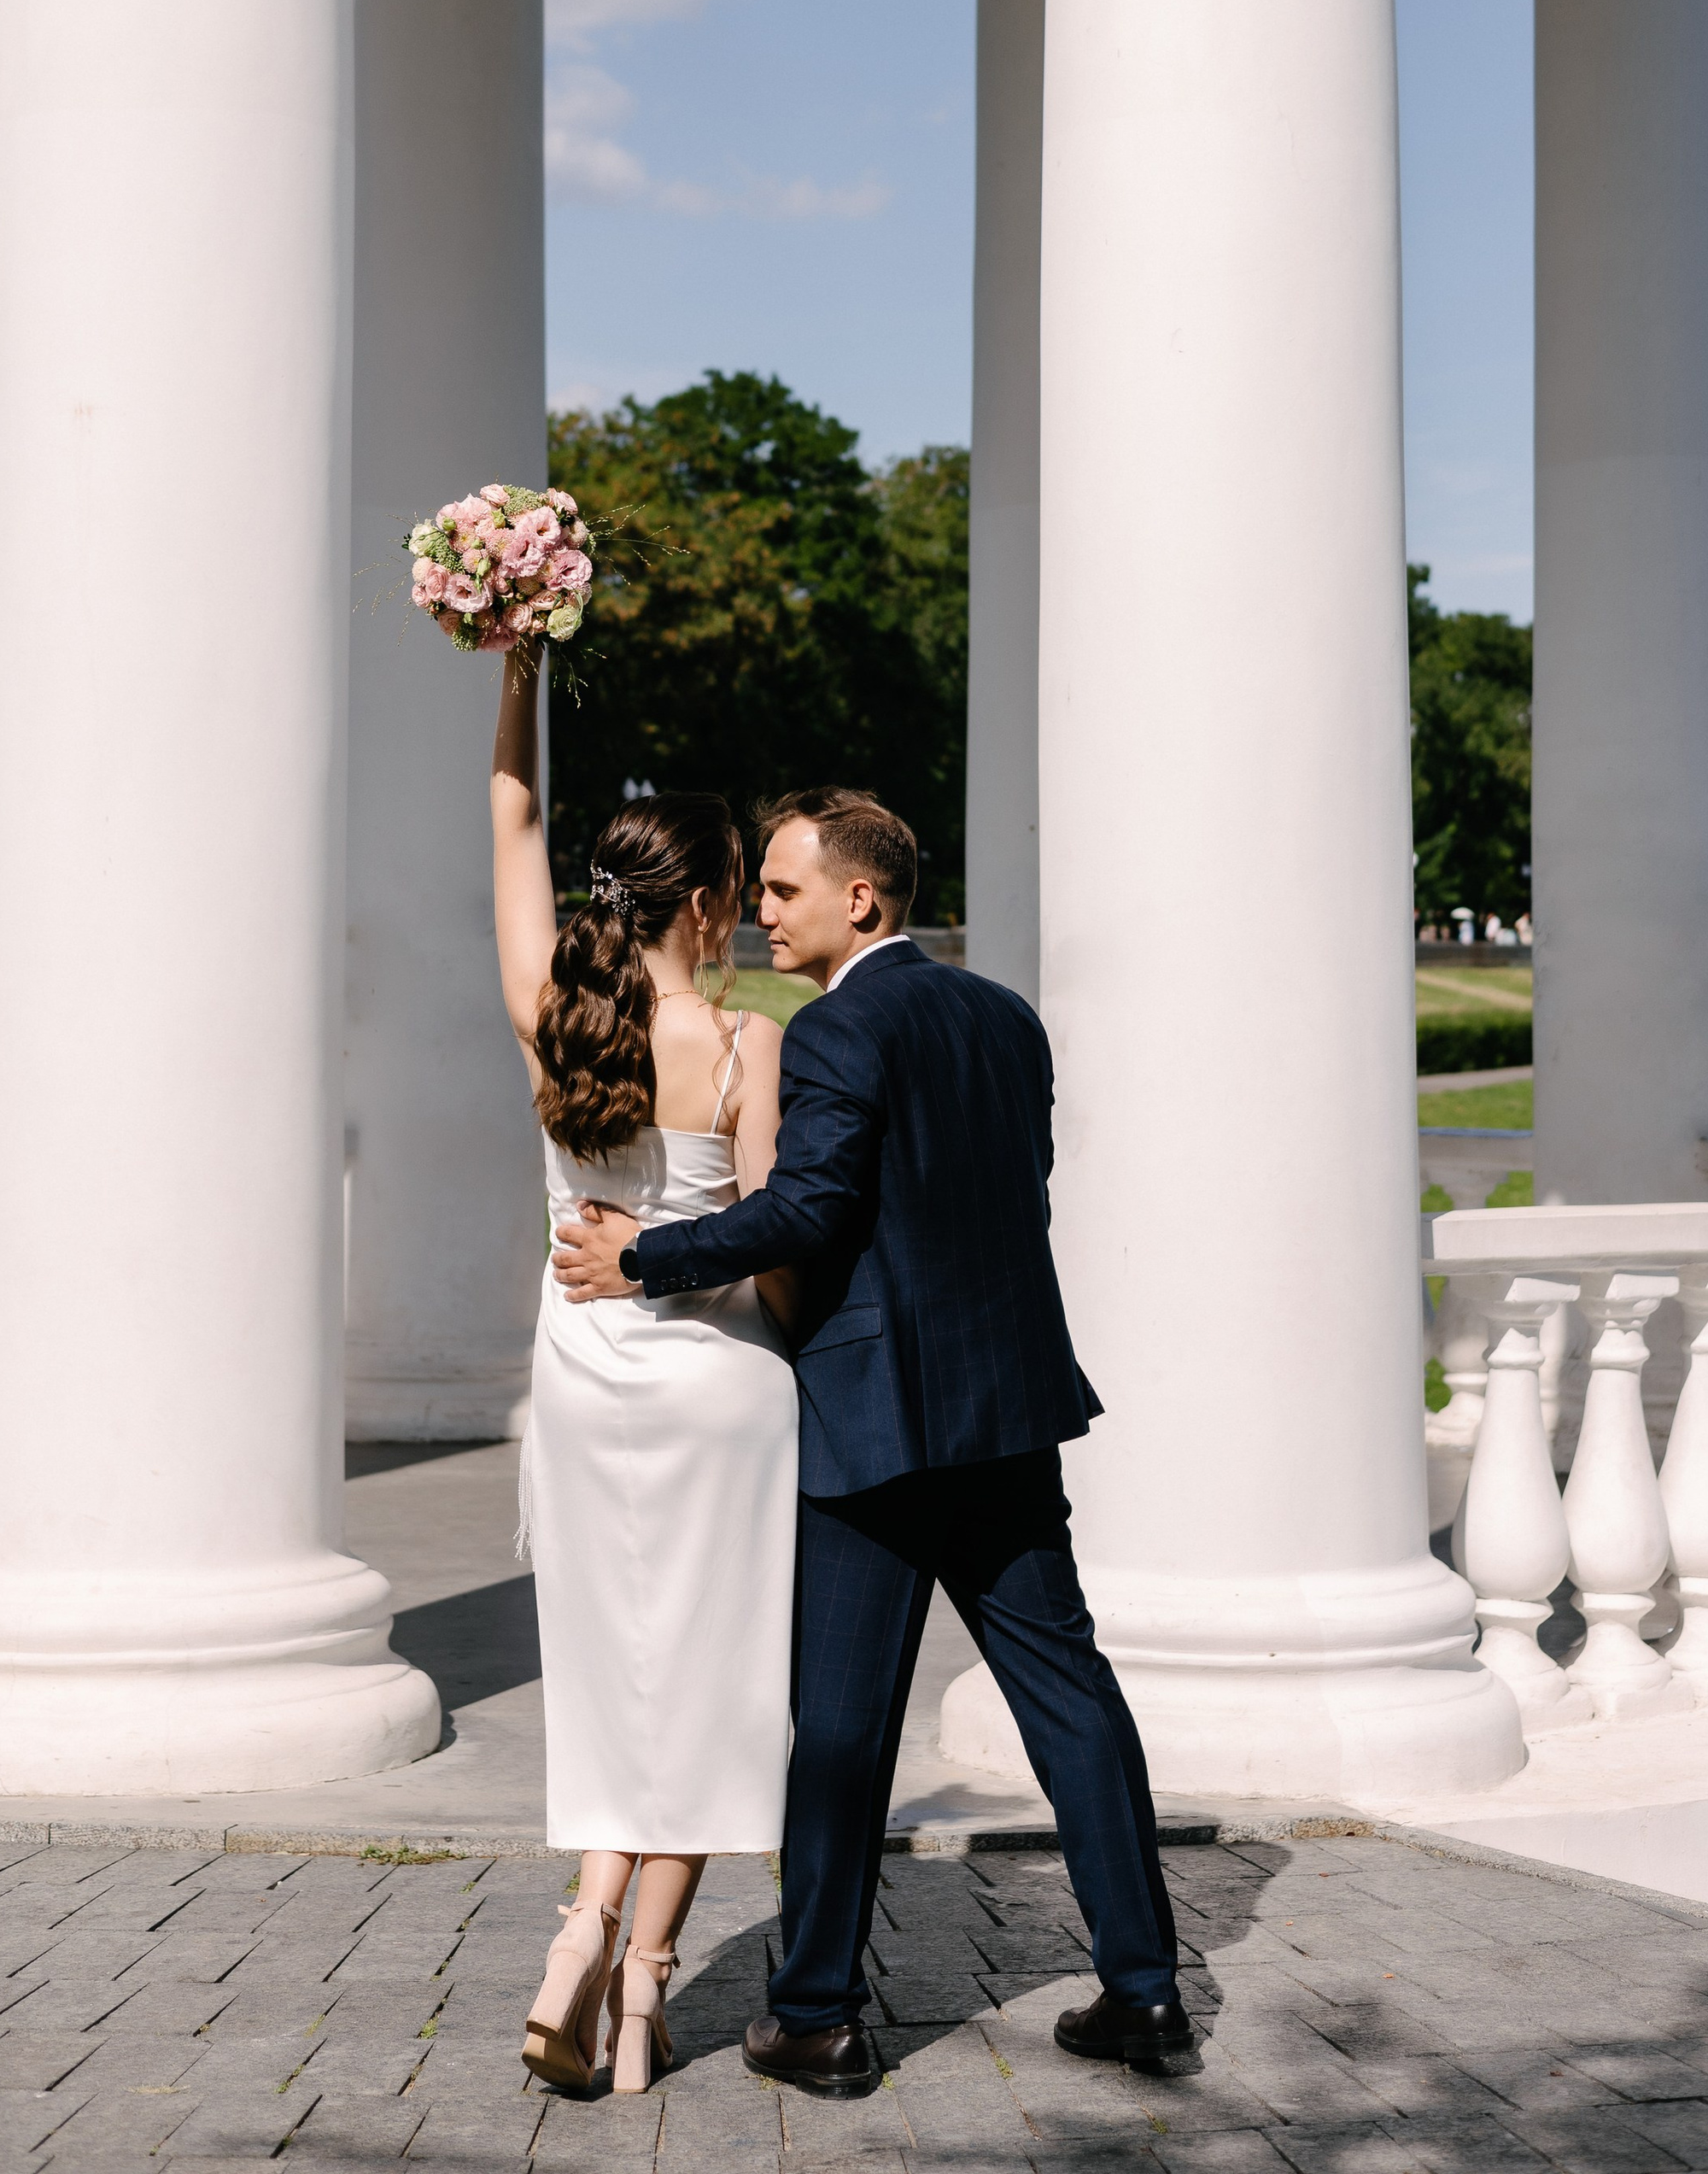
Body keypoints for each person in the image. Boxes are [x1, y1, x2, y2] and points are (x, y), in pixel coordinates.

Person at [555, 786, 1188, 2097]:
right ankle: (1146, 1992)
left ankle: (819, 2016)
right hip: (1008, 1412)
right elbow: (1009, 1191)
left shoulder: (841, 1026)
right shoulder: (1007, 1019)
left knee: (839, 1728)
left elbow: (808, 1205)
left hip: (873, 1423)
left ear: (863, 898)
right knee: (1071, 1697)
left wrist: (646, 1257)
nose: (762, 911)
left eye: (784, 890)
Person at [490, 661, 797, 2096]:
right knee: (716, 1684)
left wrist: (518, 667)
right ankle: (640, 1986)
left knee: (619, 1685)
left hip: (581, 1381)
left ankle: (587, 1938)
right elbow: (768, 1252)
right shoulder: (745, 1044)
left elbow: (508, 827)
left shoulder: (558, 1012)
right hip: (717, 1387)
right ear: (708, 906)